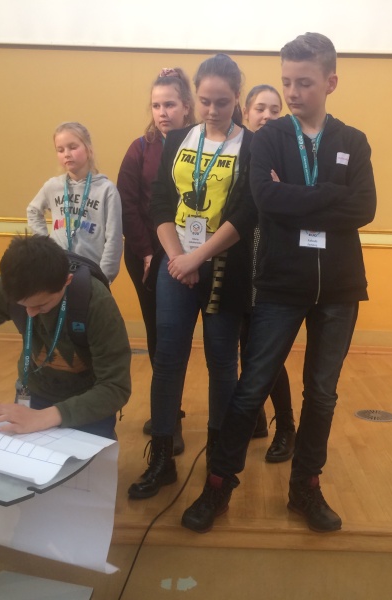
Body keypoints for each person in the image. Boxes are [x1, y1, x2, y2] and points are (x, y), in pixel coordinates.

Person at [181, 33, 377, 533]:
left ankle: (305, 488)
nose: (292, 92)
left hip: (339, 289)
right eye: (287, 81)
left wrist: (297, 196)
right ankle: (218, 485)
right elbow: (265, 200)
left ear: (331, 82)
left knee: (322, 394)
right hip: (280, 286)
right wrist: (328, 196)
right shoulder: (268, 138)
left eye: (304, 82)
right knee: (251, 388)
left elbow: (364, 207)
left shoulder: (352, 141)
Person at [127, 54, 257, 500]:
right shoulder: (178, 139)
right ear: (194, 97)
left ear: (237, 98)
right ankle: (161, 457)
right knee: (167, 360)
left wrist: (197, 257)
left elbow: (247, 213)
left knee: (222, 362)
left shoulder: (251, 146)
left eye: (222, 101)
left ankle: (218, 463)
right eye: (205, 100)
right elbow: (160, 202)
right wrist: (177, 257)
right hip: (176, 263)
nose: (213, 110)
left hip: (223, 268)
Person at [0, 235, 131, 439]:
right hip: (33, 393)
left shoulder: (95, 302)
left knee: (90, 460)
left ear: (66, 281)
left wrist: (44, 417)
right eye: (22, 305)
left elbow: (115, 387)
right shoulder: (5, 287)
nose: (31, 313)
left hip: (89, 401)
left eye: (41, 305)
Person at [117, 67, 195, 454]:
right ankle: (169, 416)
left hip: (197, 253)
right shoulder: (140, 149)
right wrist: (148, 252)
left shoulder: (202, 143)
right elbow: (127, 203)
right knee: (161, 337)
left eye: (170, 104)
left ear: (187, 107)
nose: (162, 112)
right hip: (148, 256)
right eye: (156, 105)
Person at [241, 84, 295, 462]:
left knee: (266, 351)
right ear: (246, 112)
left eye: (275, 110)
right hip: (237, 261)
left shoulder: (288, 155)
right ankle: (256, 419)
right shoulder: (235, 150)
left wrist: (279, 193)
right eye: (260, 108)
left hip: (271, 263)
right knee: (246, 344)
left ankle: (286, 426)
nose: (267, 115)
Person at [27, 122, 123, 283]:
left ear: (89, 150)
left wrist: (105, 276)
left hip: (92, 272)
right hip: (57, 270)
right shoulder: (53, 186)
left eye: (73, 147)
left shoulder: (106, 190)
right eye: (60, 150)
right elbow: (33, 211)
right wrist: (45, 245)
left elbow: (114, 238)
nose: (66, 154)